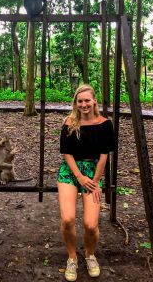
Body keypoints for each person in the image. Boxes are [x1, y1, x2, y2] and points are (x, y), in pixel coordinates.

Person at [57, 84, 115, 280]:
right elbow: (67, 153)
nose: (83, 104)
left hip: (93, 172)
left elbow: (104, 155)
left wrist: (95, 180)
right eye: (79, 101)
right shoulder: (69, 122)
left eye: (87, 100)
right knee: (67, 219)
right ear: (76, 103)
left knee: (90, 224)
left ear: (94, 101)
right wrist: (80, 177)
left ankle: (90, 255)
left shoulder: (105, 124)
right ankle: (72, 258)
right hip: (71, 172)